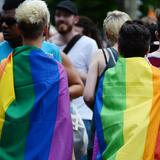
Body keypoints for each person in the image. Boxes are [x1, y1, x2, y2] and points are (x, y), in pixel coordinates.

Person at [0, 0, 73, 159]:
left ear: (18, 28)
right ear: (46, 30)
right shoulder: (57, 70)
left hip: (9, 152)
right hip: (45, 151)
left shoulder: (4, 67)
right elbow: (63, 118)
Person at [93, 20, 160, 159]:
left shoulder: (107, 79)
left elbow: (100, 119)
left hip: (112, 155)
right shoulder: (157, 78)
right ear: (147, 48)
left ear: (119, 48)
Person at [0, 0, 84, 100]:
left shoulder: (52, 51)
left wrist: (50, 96)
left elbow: (78, 86)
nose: (4, 25)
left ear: (21, 24)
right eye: (1, 21)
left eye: (10, 22)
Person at [50, 1, 98, 159]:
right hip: (56, 114)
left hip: (82, 114)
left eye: (66, 15)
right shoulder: (49, 45)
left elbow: (96, 75)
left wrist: (70, 72)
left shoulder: (88, 44)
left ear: (76, 19)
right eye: (58, 15)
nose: (61, 19)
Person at [84, 10, 131, 108]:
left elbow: (88, 96)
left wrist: (98, 109)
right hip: (131, 119)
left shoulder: (100, 55)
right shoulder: (137, 54)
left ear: (107, 33)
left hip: (105, 119)